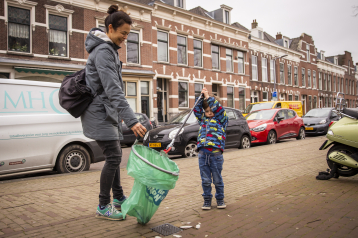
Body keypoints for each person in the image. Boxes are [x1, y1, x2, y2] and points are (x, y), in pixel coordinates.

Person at [81, 5, 147, 221]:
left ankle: (118, 198)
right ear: (110, 28)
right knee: (113, 157)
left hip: (106, 113)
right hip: (99, 113)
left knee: (114, 157)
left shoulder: (108, 50)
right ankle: (103, 205)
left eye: (128, 34)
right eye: (123, 33)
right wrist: (132, 120)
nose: (125, 38)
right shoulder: (103, 52)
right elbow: (112, 90)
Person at [193, 87, 228, 210]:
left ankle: (220, 199)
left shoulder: (221, 120)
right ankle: (207, 200)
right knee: (206, 180)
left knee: (217, 179)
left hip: (216, 155)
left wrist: (209, 98)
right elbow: (196, 109)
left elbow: (219, 110)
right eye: (206, 110)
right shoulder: (202, 120)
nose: (209, 113)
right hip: (203, 154)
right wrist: (201, 97)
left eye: (211, 110)